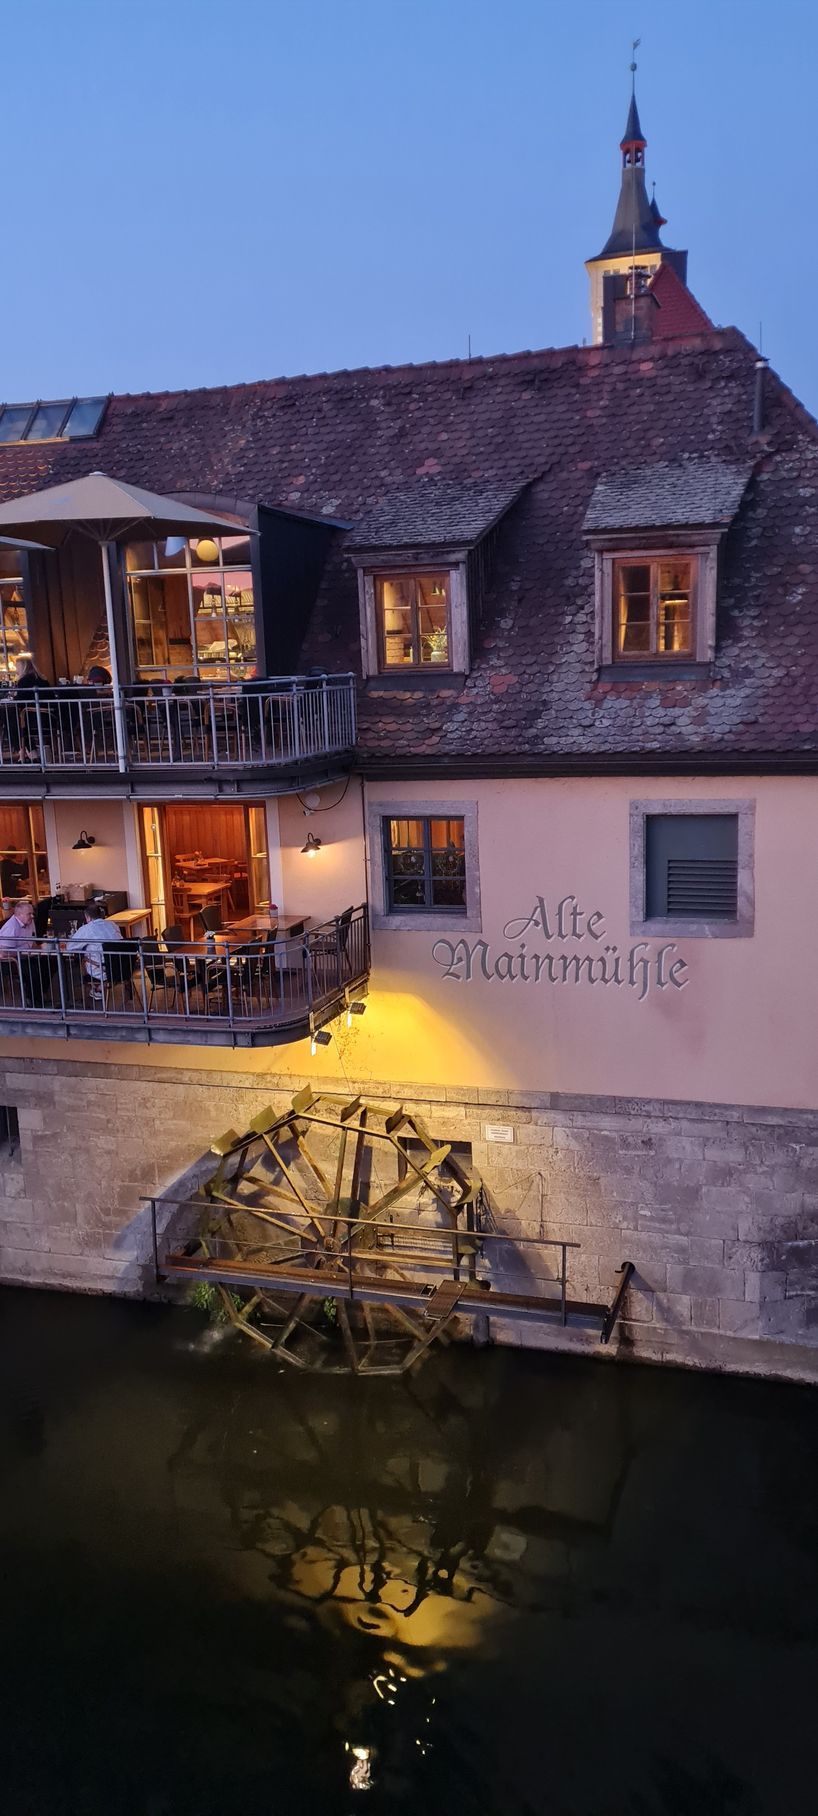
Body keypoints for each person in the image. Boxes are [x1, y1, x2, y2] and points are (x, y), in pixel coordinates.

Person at [66, 902, 124, 1000]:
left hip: (101, 969)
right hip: (122, 967)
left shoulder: (87, 929)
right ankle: (99, 988)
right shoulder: (113, 925)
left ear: (87, 917)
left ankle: (97, 988)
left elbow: (70, 947)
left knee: (84, 960)